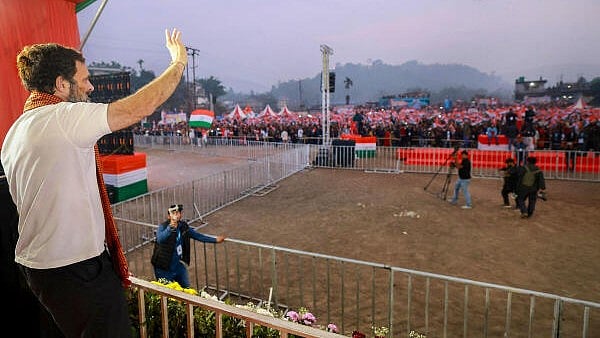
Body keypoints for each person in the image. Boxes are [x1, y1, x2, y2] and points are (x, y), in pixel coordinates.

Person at [1, 29, 188, 337]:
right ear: (62, 84)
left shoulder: (17, 129)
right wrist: (178, 60)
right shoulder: (62, 116)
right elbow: (139, 106)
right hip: (76, 270)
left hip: (39, 268)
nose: (90, 87)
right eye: (84, 79)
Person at [152, 204, 225, 288]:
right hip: (163, 268)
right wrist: (171, 227)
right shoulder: (163, 227)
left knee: (186, 289)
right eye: (174, 213)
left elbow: (198, 236)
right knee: (167, 294)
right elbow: (160, 239)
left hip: (177, 266)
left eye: (178, 212)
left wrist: (215, 240)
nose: (177, 215)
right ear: (169, 216)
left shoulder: (183, 226)